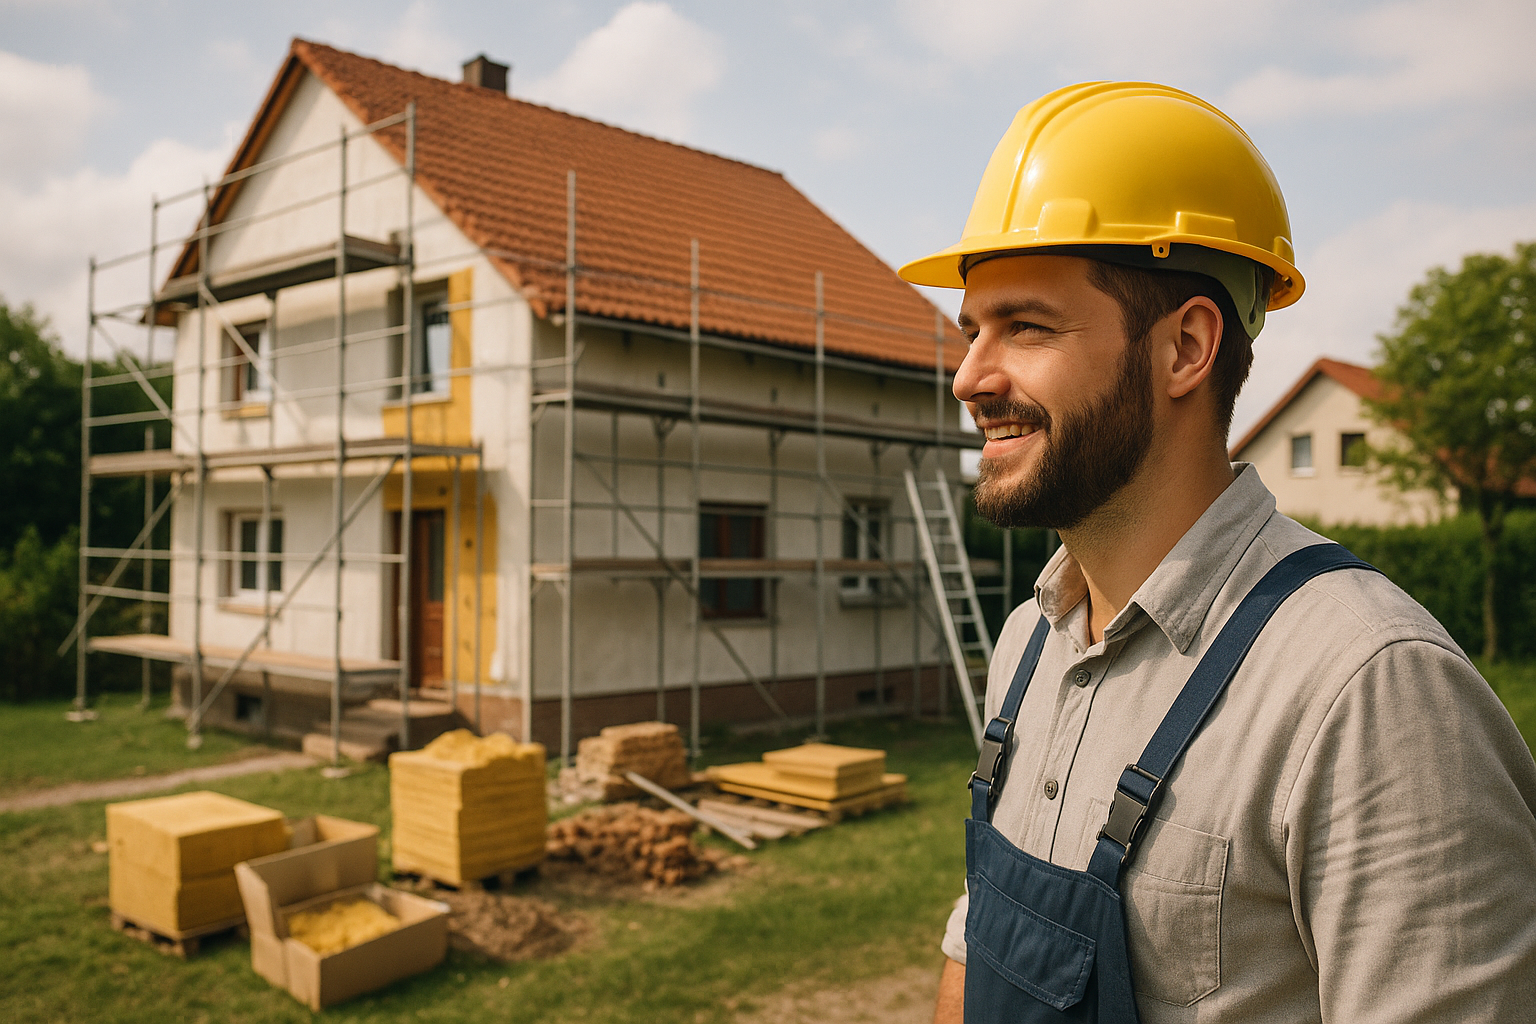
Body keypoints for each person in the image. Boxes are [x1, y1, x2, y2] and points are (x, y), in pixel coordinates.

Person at [898, 82, 1536, 1023]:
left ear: (1187, 347)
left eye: (1025, 327)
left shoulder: (1368, 691)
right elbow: (977, 939)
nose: (969, 377)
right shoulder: (1030, 644)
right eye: (972, 331)